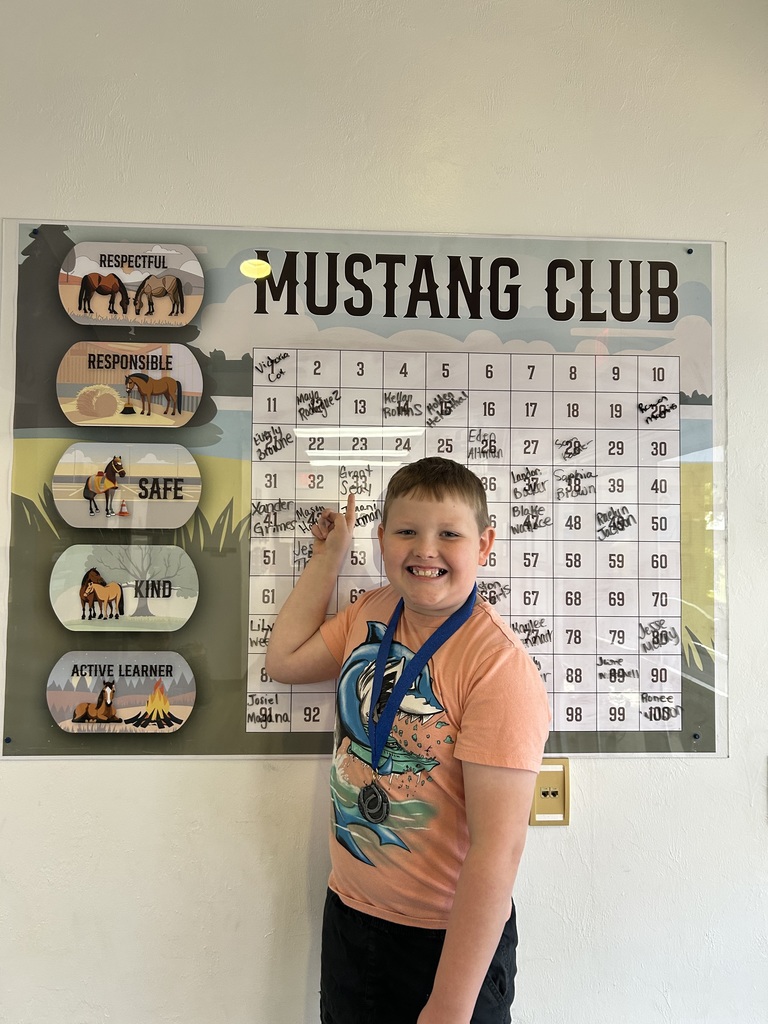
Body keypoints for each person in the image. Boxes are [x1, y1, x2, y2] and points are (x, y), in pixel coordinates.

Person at [266, 457, 550, 1024]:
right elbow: (285, 660)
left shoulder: (497, 667)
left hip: (446, 943)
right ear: (381, 540)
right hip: (350, 918)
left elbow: (498, 850)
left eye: (449, 534)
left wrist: (450, 1005)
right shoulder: (372, 612)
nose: (426, 549)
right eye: (406, 531)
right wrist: (329, 556)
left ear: (484, 544)